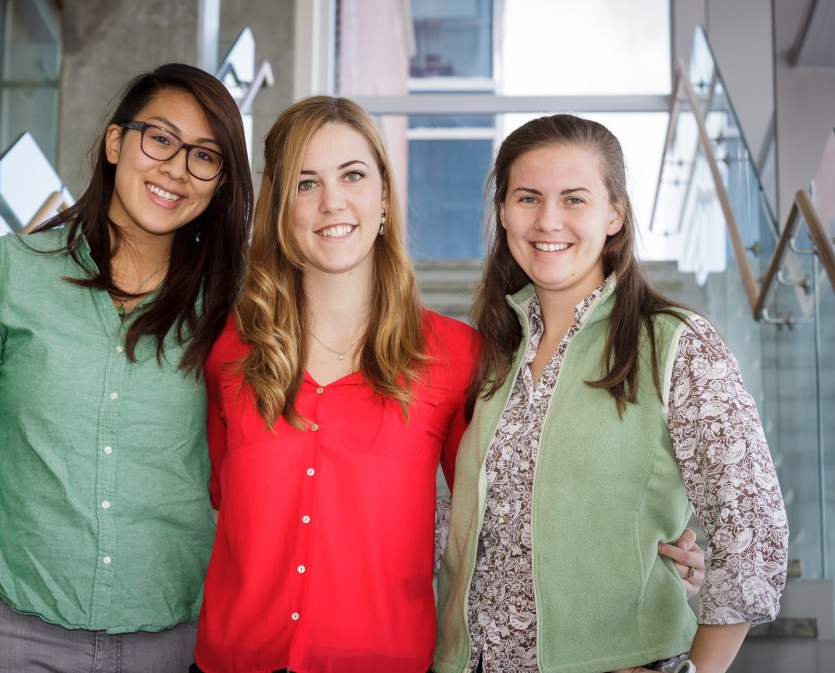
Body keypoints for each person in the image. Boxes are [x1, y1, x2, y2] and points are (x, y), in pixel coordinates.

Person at [190, 97, 704, 673]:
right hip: (231, 660)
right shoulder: (230, 351)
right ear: (280, 207)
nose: (333, 201)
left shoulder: (457, 356)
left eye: (353, 175)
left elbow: (502, 511)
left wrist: (644, 559)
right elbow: (222, 502)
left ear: (384, 196)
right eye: (306, 183)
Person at [0, 63, 253, 673]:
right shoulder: (8, 272)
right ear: (115, 143)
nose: (176, 169)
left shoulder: (230, 309)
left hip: (168, 639)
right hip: (7, 630)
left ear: (219, 182)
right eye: (160, 138)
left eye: (204, 156)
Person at [434, 114, 789, 673]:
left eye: (574, 198)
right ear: (503, 213)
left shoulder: (676, 345)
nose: (548, 219)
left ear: (615, 214)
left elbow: (752, 529)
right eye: (527, 197)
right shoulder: (491, 357)